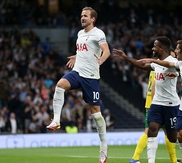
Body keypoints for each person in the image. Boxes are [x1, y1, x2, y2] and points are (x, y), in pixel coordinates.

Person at [113, 36, 182, 163]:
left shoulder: (173, 61)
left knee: (175, 137)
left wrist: (177, 74)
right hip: (156, 103)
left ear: (162, 48)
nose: (152, 48)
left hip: (171, 105)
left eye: (155, 46)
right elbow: (142, 65)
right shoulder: (156, 63)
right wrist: (125, 57)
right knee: (152, 129)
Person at [46, 6, 110, 163]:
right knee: (60, 85)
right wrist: (76, 56)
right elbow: (85, 50)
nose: (82, 18)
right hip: (77, 72)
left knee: (96, 114)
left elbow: (106, 50)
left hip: (91, 77)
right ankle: (56, 120)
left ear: (92, 19)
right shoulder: (80, 34)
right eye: (81, 15)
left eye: (86, 16)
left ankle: (103, 148)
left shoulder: (98, 33)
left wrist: (102, 59)